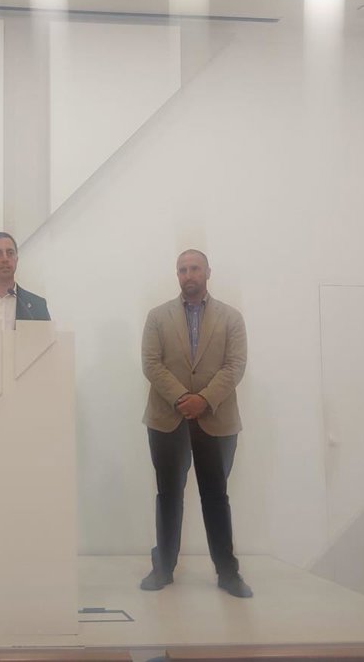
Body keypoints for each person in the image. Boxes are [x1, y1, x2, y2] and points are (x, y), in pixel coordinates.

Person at [139, 249, 252, 598]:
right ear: (177, 275)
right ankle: (163, 568)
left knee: (216, 496)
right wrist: (181, 399)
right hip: (166, 420)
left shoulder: (231, 318)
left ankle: (228, 572)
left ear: (207, 272)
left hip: (216, 420)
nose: (188, 275)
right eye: (182, 269)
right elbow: (151, 363)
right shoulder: (157, 317)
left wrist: (203, 399)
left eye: (195, 268)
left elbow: (235, 364)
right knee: (168, 495)